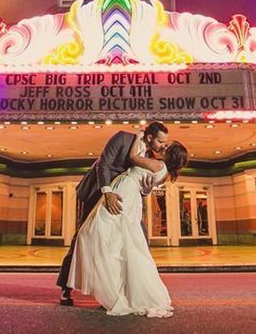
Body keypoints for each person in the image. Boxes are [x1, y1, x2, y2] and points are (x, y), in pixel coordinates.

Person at [68, 132, 189, 317]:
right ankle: (115, 290)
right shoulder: (162, 170)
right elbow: (143, 182)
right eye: (164, 143)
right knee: (118, 243)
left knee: (91, 233)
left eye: (167, 146)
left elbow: (133, 157)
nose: (163, 146)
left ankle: (111, 291)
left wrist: (140, 135)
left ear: (171, 155)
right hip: (127, 195)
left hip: (124, 193)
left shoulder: (158, 164)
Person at [56, 121, 170, 306]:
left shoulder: (149, 156)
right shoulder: (123, 138)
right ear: (150, 138)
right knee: (83, 237)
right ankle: (65, 288)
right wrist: (107, 192)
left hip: (126, 200)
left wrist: (147, 190)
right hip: (99, 191)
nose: (161, 145)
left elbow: (142, 183)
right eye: (160, 141)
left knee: (135, 239)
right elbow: (104, 165)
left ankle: (112, 291)